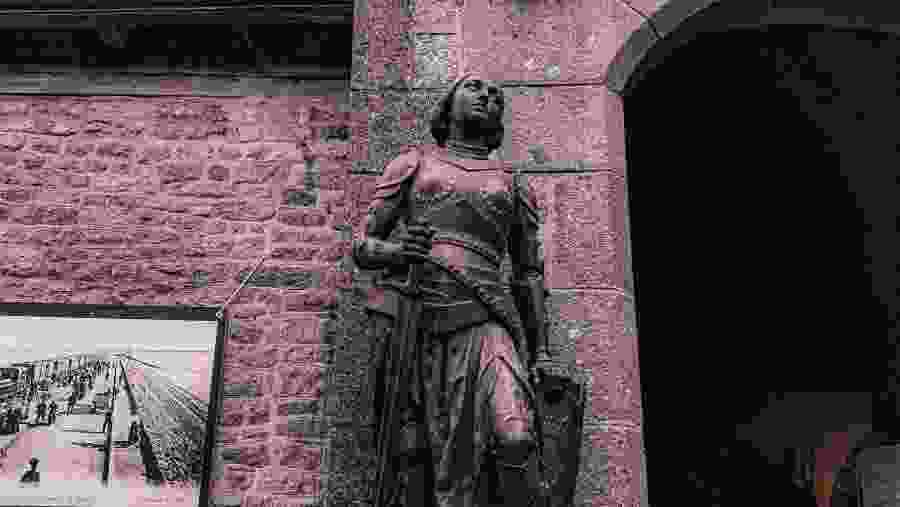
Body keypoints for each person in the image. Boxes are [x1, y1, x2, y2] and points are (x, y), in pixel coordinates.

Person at [353, 74, 551, 506]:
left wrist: (543, 354)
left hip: (487, 320)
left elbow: (529, 273)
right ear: (448, 103)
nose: (487, 96)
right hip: (419, 318)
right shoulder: (412, 164)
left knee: (516, 435)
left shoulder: (514, 183)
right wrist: (398, 251)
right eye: (475, 87)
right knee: (417, 454)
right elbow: (363, 245)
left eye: (496, 95)